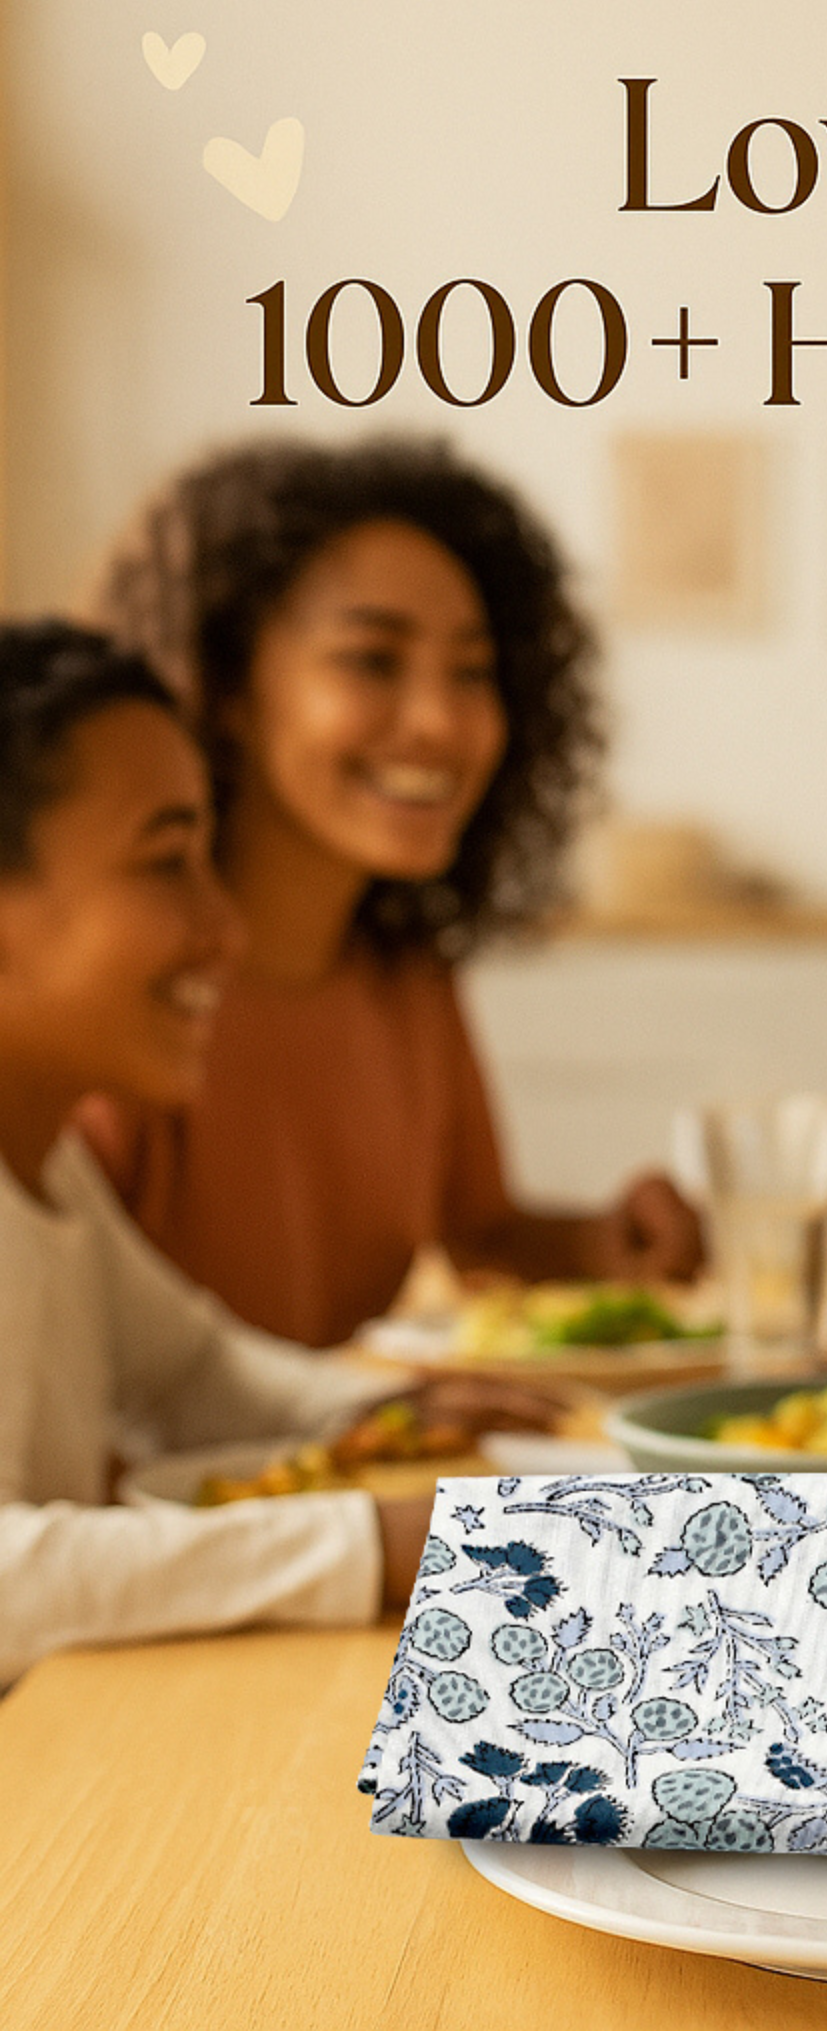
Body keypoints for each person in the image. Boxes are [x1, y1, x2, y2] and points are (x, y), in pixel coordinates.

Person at [0, 621, 538, 1685]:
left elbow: (187, 1367)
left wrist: (376, 1409)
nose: (223, 926)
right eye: (167, 864)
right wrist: (365, 1544)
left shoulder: (42, 1155)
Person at [78, 438, 704, 1346]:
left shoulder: (405, 977)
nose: (442, 722)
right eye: (372, 660)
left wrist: (604, 1241)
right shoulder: (121, 989)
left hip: (330, 1473)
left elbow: (479, 1235)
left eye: (473, 672)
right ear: (224, 688)